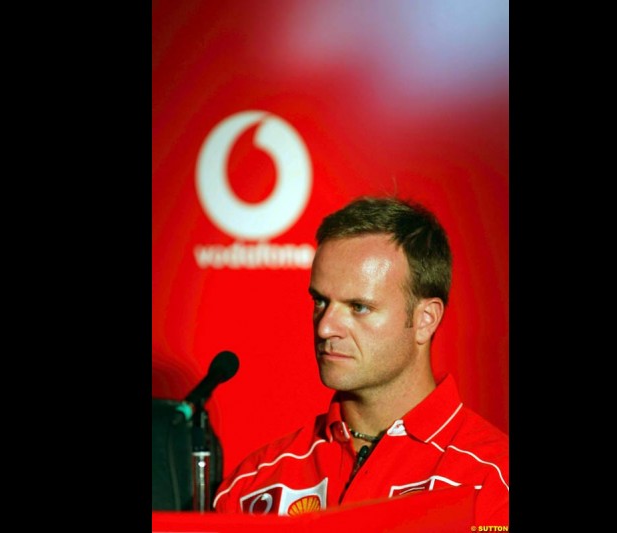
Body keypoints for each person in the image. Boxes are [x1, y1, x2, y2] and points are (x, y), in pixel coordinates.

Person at [212, 196, 509, 524]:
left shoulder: (493, 478)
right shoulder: (252, 484)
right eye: (320, 301)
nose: (325, 327)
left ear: (426, 319)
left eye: (359, 307)